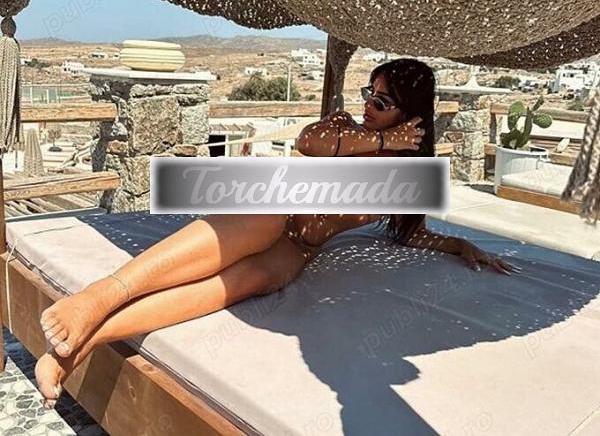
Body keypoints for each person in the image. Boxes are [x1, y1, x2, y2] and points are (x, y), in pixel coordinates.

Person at [34, 58, 520, 408]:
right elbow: (311, 141)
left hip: (297, 247)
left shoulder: (406, 179)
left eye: (382, 101)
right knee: (265, 217)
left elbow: (411, 234)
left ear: (412, 113)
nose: (368, 105)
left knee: (255, 279)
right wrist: (379, 136)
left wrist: (460, 245)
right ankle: (98, 296)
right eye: (368, 94)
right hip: (272, 211)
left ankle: (81, 346)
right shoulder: (347, 130)